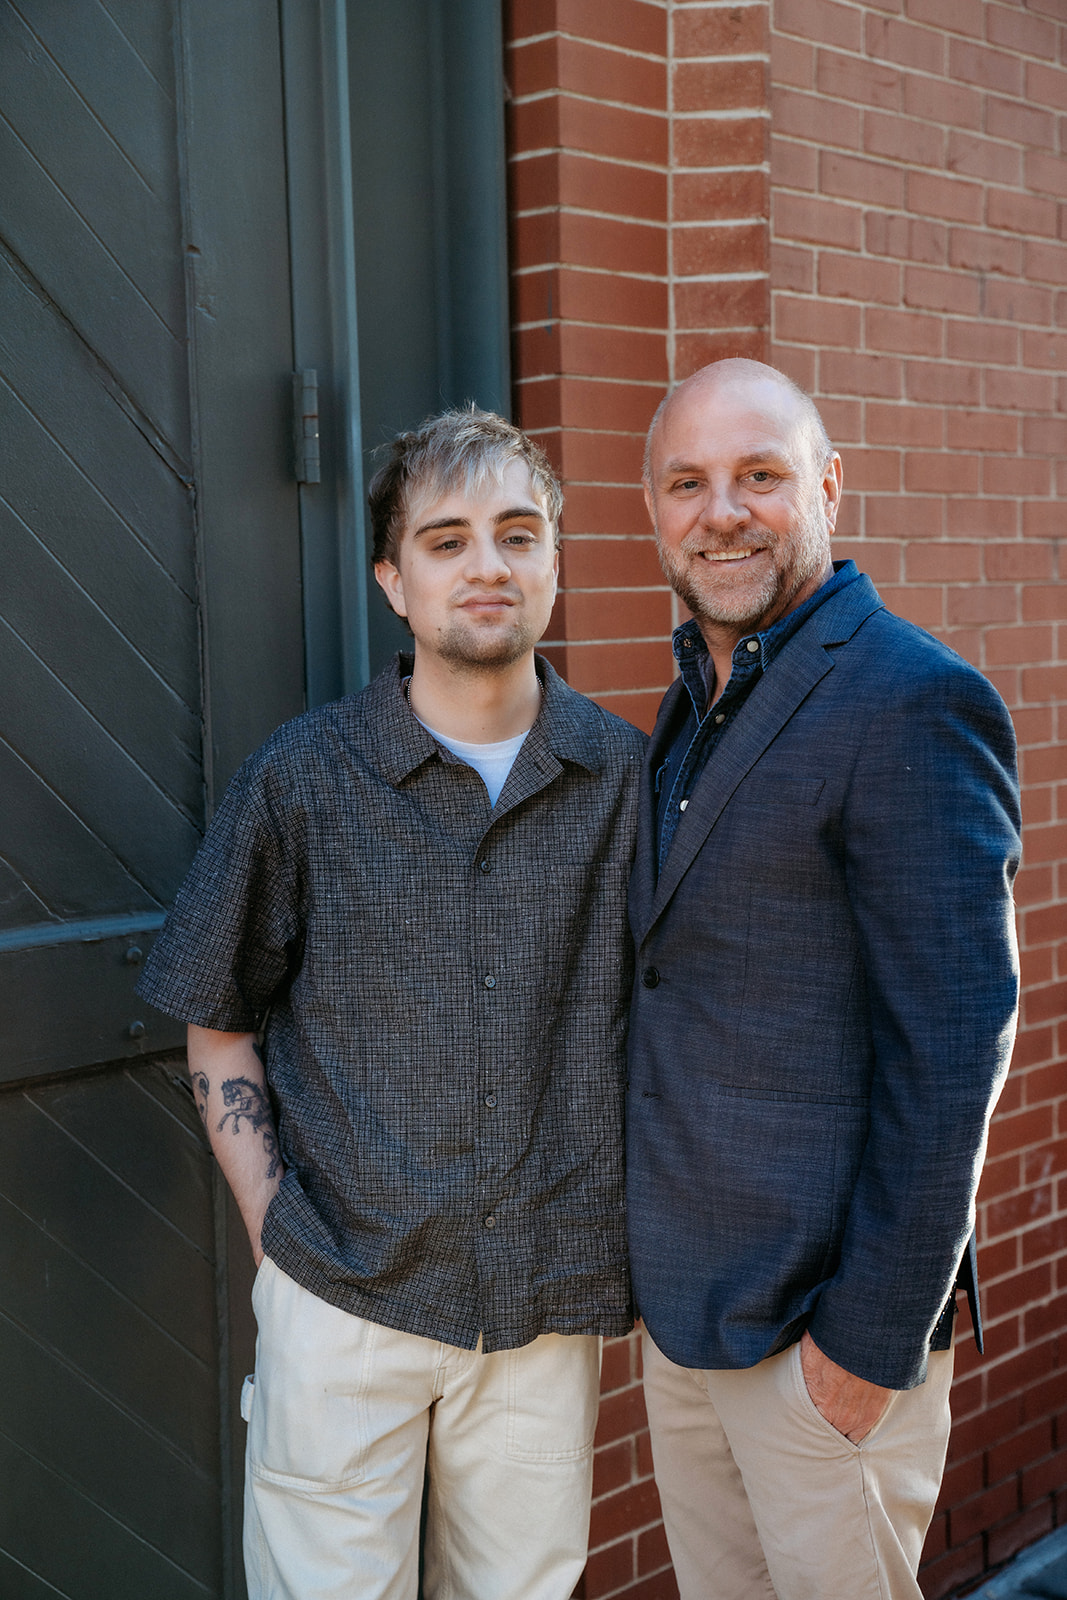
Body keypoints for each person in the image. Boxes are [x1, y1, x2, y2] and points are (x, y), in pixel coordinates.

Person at [137, 407, 646, 1600]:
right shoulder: (304, 777)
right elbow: (216, 1012)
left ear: (555, 560)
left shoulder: (624, 779)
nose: (487, 565)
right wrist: (280, 1242)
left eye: (518, 534)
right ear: (393, 578)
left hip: (538, 1315)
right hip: (343, 1301)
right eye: (447, 538)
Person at [626, 359, 1020, 1600]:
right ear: (652, 512)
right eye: (686, 483)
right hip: (689, 1327)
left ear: (828, 488)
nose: (721, 511)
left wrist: (863, 1343)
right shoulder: (690, 705)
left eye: (759, 475)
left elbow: (955, 1045)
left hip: (821, 1343)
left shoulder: (909, 698)